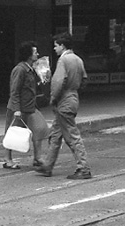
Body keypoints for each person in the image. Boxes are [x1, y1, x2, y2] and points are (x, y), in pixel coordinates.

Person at [36, 32, 91, 179]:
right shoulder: (78, 59)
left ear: (62, 45)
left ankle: (83, 168)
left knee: (72, 136)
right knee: (55, 134)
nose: (54, 49)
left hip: (64, 101)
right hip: (73, 97)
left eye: (55, 46)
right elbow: (84, 80)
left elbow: (58, 82)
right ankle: (48, 165)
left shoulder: (63, 60)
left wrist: (53, 98)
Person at [3, 41, 46, 170]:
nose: (37, 54)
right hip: (19, 108)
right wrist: (16, 110)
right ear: (28, 55)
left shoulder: (31, 69)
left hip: (30, 107)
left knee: (40, 129)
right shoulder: (20, 70)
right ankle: (7, 159)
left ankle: (38, 158)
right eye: (35, 52)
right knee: (12, 133)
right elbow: (14, 91)